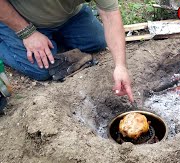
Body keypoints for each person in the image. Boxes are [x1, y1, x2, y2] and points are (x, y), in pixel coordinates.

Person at [0, 0, 134, 102]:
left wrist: (120, 66)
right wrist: (27, 32)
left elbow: (111, 18)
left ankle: (51, 36)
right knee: (42, 68)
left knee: (97, 41)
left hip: (68, 16)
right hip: (19, 17)